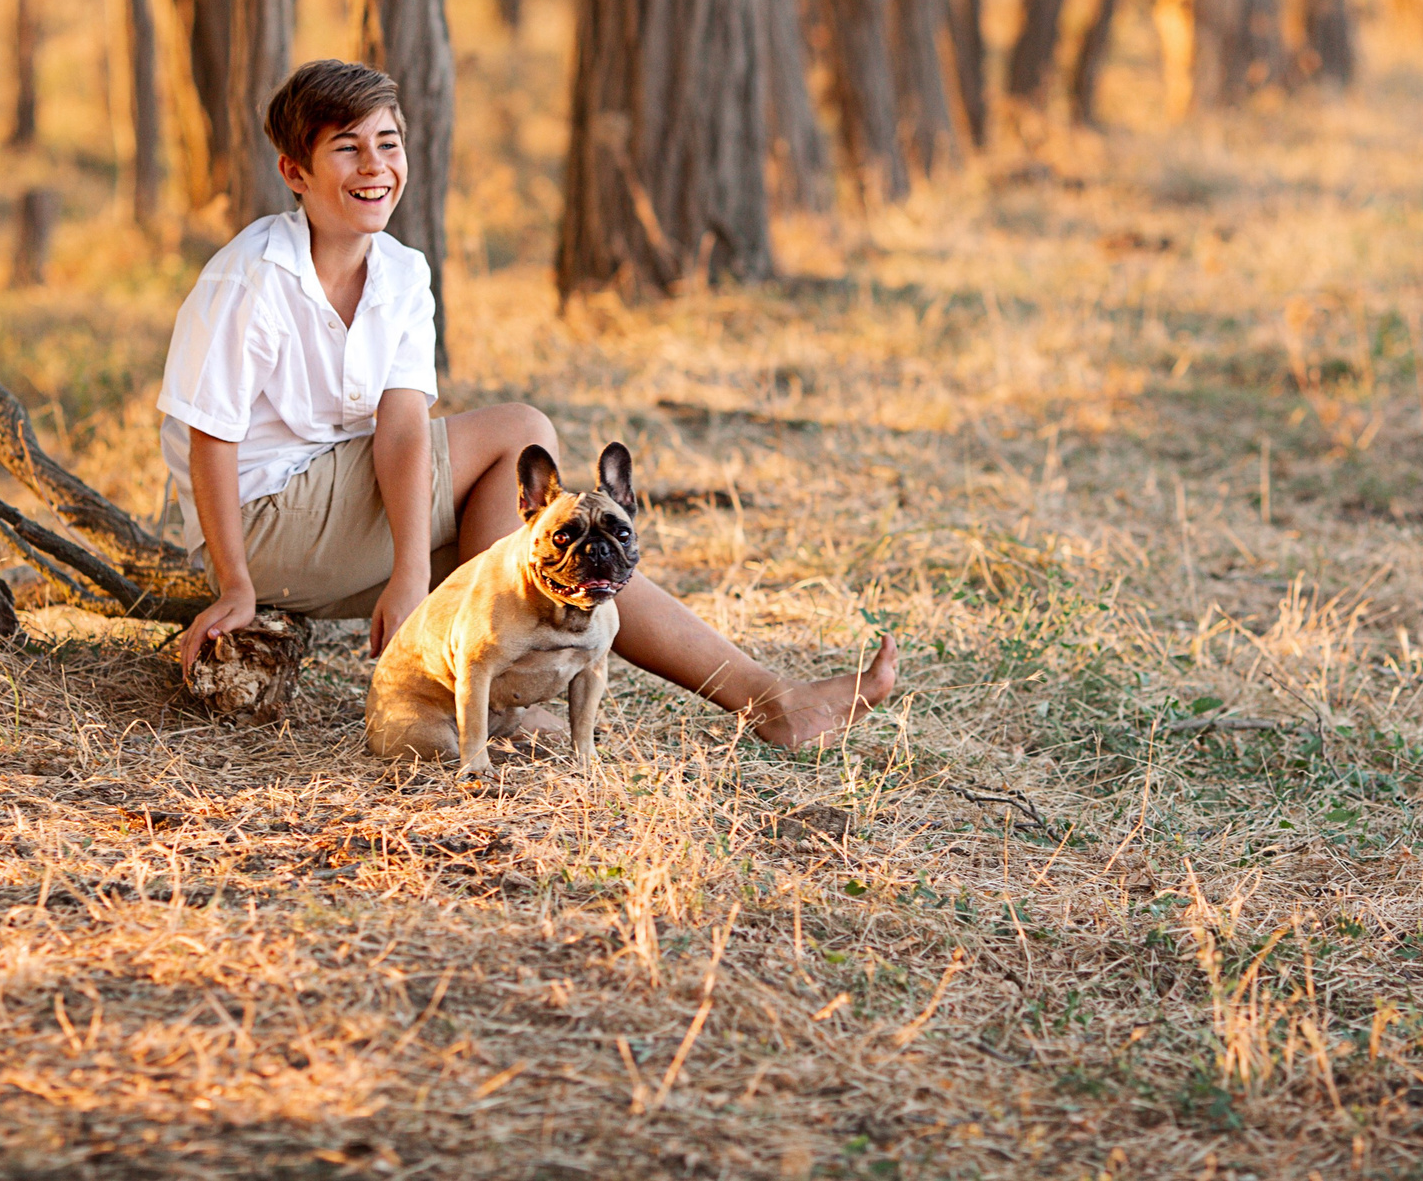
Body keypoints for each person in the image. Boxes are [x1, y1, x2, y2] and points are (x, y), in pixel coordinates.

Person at [160, 58, 899, 749]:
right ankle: (523, 696)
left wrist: (412, 570)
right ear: (295, 170)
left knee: (549, 544)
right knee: (521, 432)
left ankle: (763, 699)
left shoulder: (402, 274)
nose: (375, 166)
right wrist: (237, 583)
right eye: (347, 149)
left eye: (388, 143)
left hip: (341, 512)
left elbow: (403, 431)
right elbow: (212, 442)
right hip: (261, 522)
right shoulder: (250, 278)